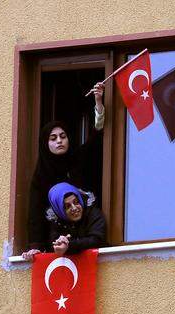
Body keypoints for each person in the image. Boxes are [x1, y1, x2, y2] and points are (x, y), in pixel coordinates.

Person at [22, 83, 105, 259]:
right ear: (46, 144)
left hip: (87, 238)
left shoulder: (79, 159)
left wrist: (98, 103)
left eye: (63, 136)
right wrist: (35, 246)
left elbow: (96, 140)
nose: (59, 141)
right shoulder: (41, 175)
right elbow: (35, 215)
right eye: (53, 138)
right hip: (56, 246)